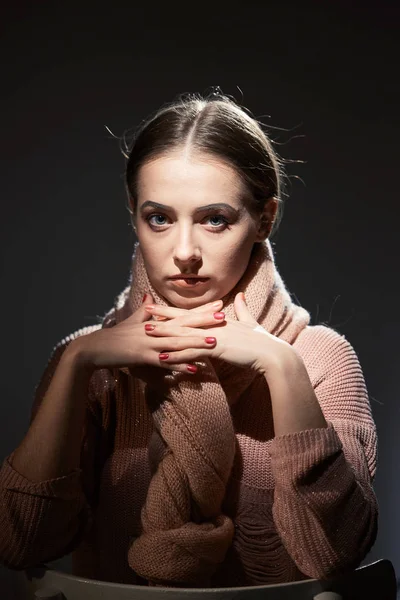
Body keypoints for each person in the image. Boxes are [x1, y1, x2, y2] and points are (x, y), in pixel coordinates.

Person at [0, 91, 378, 588]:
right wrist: (76, 363)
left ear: (264, 219)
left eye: (214, 219)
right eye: (159, 218)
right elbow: (21, 545)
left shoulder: (318, 357)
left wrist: (282, 368)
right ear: (133, 212)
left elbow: (335, 553)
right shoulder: (91, 360)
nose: (184, 253)